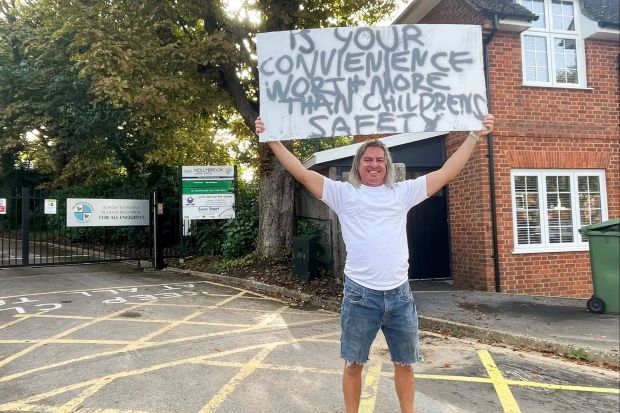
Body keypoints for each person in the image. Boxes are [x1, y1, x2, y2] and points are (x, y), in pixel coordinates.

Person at [255, 114, 495, 413]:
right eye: (368, 159)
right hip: (360, 296)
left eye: (380, 160)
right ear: (359, 164)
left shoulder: (402, 193)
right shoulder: (343, 194)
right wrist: (273, 140)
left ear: (388, 164)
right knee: (354, 364)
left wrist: (474, 136)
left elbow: (446, 172)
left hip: (400, 296)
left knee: (405, 364)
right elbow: (302, 174)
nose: (374, 164)